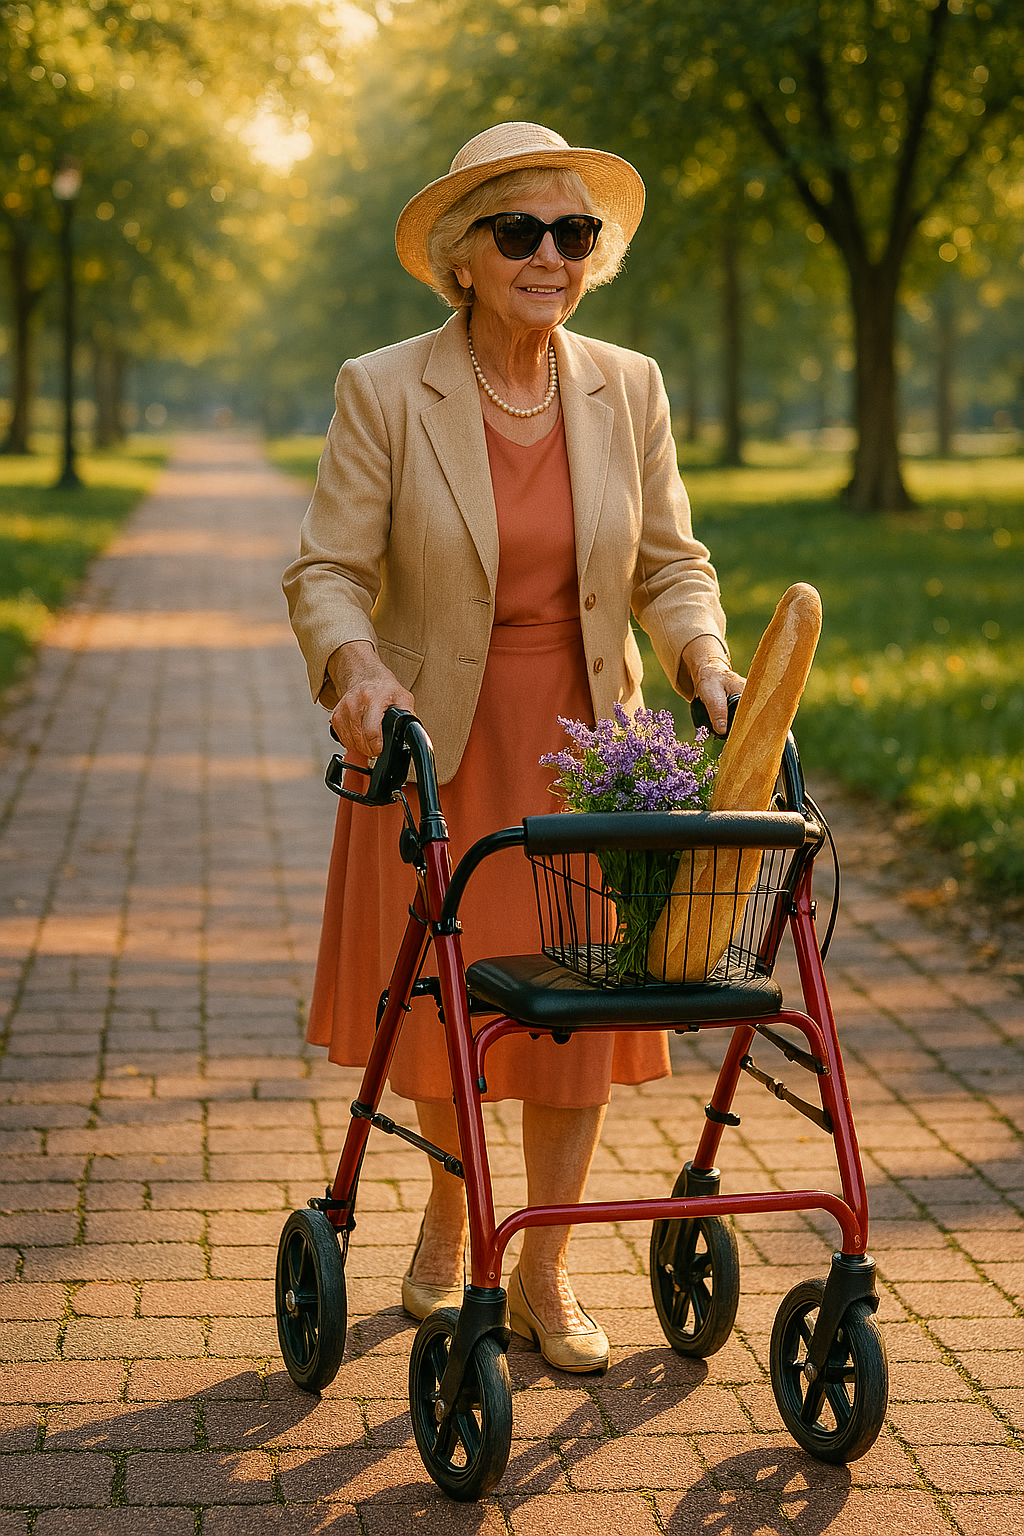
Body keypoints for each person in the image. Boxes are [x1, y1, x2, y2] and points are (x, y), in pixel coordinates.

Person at [283, 122, 745, 1375]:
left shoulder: (626, 384)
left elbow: (670, 564)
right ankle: (452, 1212)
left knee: (576, 1010)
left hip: (589, 739)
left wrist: (704, 657)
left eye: (573, 233)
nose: (551, 254)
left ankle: (540, 1264)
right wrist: (357, 667)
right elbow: (326, 571)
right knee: (441, 992)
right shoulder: (385, 388)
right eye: (521, 231)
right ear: (465, 257)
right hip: (433, 737)